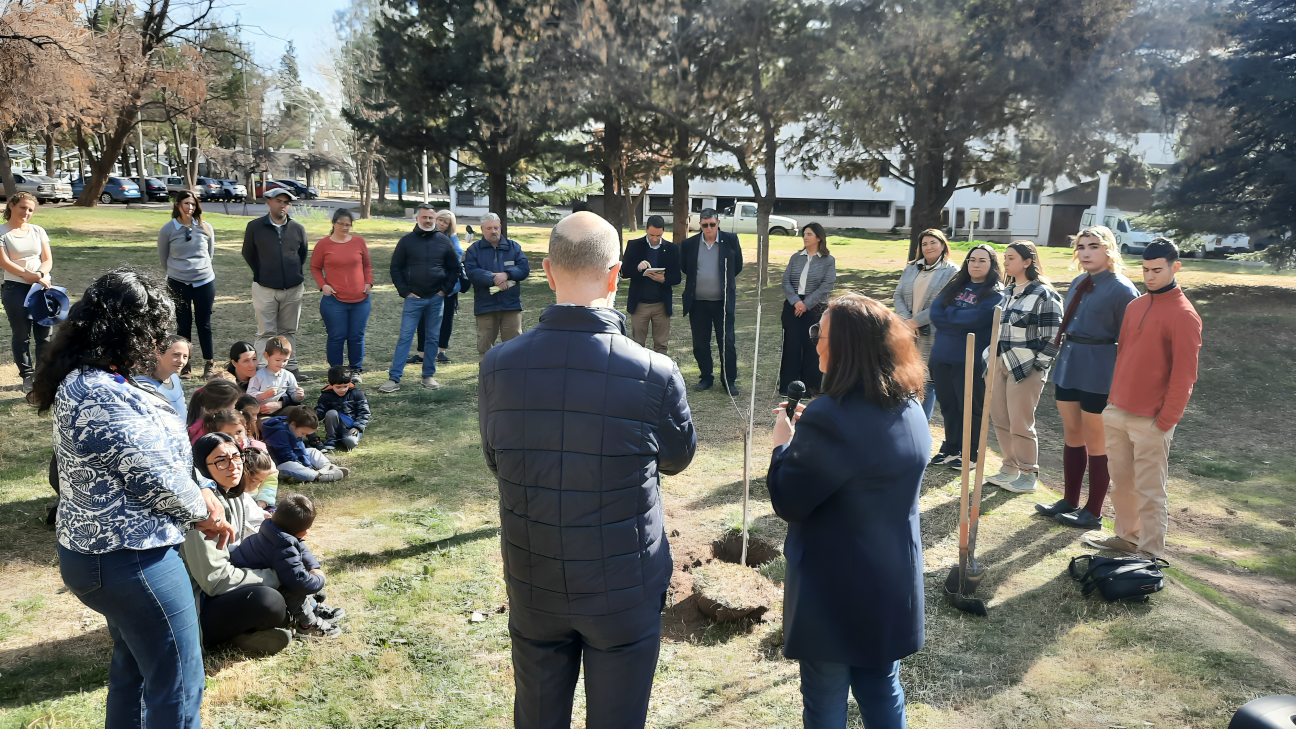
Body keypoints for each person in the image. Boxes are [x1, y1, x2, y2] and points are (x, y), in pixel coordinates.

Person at [478, 212, 696, 729]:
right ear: (616, 275)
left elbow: (497, 458)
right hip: (623, 584)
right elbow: (678, 458)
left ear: (549, 273)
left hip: (535, 578)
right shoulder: (654, 370)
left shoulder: (499, 365)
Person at [31, 267, 234, 725]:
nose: (158, 339)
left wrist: (201, 486)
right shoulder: (97, 391)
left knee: (135, 672)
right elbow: (152, 476)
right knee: (178, 682)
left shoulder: (104, 380)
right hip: (129, 558)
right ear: (128, 329)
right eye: (152, 328)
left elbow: (164, 454)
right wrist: (204, 510)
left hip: (116, 557)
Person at [766, 292, 929, 729]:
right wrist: (811, 443)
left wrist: (785, 447)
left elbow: (789, 500)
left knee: (824, 699)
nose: (814, 342)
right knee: (881, 686)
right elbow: (859, 463)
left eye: (820, 334)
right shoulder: (910, 406)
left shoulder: (829, 418)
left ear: (845, 347)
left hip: (834, 588)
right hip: (891, 578)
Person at [1084, 239, 1202, 559]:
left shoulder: (1184, 315)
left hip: (1151, 419)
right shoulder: (1135, 306)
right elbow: (1125, 356)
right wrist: (1112, 402)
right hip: (1117, 410)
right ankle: (1127, 537)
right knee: (1122, 485)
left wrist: (1164, 421)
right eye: (1145, 270)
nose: (1149, 276)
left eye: (1157, 270)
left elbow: (1184, 376)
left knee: (1150, 491)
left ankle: (1151, 554)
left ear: (1175, 268)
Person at [1036, 226, 1139, 529]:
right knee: (1072, 433)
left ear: (1108, 249)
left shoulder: (1122, 289)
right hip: (1070, 363)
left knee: (1097, 441)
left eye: (1093, 246)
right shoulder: (1080, 281)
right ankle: (1070, 500)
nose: (1085, 252)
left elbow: (1130, 341)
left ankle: (1093, 511)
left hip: (1100, 368)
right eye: (1081, 247)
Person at [182, 432, 295, 655]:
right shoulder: (203, 512)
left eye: (236, 457)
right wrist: (276, 576)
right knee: (269, 601)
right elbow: (215, 581)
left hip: (225, 590)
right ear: (201, 468)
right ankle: (228, 640)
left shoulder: (235, 495)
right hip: (200, 606)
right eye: (221, 461)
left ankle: (242, 636)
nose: (233, 465)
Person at [986, 242, 1064, 494]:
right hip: (999, 362)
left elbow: (1055, 336)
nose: (1005, 262)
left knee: (1020, 422)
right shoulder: (1007, 291)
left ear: (1027, 262)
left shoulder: (1044, 294)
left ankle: (1029, 473)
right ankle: (1009, 467)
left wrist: (1038, 367)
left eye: (1011, 258)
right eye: (1005, 258)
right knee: (999, 417)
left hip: (1025, 367)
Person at [927, 244, 1004, 470]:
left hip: (969, 359)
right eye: (972, 260)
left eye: (982, 260)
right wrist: (958, 320)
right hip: (941, 356)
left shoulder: (995, 291)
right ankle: (951, 448)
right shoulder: (956, 284)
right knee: (948, 405)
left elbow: (981, 318)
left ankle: (970, 454)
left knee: (970, 407)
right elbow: (935, 312)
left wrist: (951, 314)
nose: (976, 264)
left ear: (992, 264)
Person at [231, 493, 345, 638]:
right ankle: (307, 625)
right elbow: (299, 582)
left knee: (290, 577)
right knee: (291, 588)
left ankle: (314, 607)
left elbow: (300, 548)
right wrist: (319, 580)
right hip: (250, 588)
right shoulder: (283, 547)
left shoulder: (271, 529)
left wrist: (313, 567)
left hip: (249, 572)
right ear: (304, 532)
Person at [377, 204, 462, 393]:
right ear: (417, 219)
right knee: (405, 337)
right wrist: (405, 292)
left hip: (436, 299)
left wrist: (444, 291)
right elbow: (395, 268)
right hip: (413, 299)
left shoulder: (443, 241)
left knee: (432, 338)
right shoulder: (407, 241)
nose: (428, 221)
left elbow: (455, 268)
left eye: (431, 218)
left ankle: (428, 376)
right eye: (424, 217)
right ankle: (394, 378)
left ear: (434, 219)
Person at [242, 187, 311, 381]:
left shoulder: (297, 228)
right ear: (269, 202)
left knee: (288, 331)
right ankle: (264, 370)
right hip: (265, 287)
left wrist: (291, 274)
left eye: (286, 202)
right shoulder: (255, 227)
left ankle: (291, 368)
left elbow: (301, 255)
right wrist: (263, 274)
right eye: (279, 201)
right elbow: (248, 254)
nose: (283, 205)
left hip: (293, 288)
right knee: (267, 331)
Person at [892, 229, 959, 420]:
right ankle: (903, 421)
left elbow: (944, 303)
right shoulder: (912, 268)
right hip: (907, 333)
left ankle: (921, 424)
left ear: (943, 245)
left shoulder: (953, 271)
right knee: (905, 377)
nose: (928, 247)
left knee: (927, 381)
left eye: (933, 243)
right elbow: (898, 295)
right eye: (924, 244)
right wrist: (906, 322)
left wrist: (915, 322)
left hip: (933, 333)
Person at [681, 208, 744, 395]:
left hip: (722, 303)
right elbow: (685, 267)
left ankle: (728, 380)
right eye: (704, 225)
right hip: (698, 303)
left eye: (712, 224)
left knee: (727, 342)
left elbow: (736, 266)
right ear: (699, 225)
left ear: (718, 223)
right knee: (700, 343)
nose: (708, 228)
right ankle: (706, 377)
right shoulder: (689, 244)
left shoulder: (731, 241)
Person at [158, 190, 217, 379]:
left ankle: (209, 363)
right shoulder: (168, 229)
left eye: (193, 204)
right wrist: (178, 272)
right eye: (186, 204)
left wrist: (200, 271)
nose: (190, 208)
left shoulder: (205, 227)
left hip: (204, 282)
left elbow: (210, 253)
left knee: (204, 324)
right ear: (177, 205)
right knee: (183, 325)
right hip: (178, 283)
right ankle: (185, 365)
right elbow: (163, 258)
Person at [0, 192, 53, 394]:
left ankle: (43, 375)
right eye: (22, 207)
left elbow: (47, 259)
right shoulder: (2, 232)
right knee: (22, 335)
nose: (27, 212)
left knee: (45, 335)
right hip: (16, 289)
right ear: (11, 206)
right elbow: (4, 262)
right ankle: (28, 376)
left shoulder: (38, 231)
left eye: (30, 209)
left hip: (41, 287)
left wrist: (39, 274)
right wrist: (26, 275)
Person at [311, 208, 373, 380]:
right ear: (333, 223)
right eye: (342, 224)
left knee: (356, 336)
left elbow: (367, 265)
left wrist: (369, 282)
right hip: (334, 300)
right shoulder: (323, 244)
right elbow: (315, 267)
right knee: (337, 336)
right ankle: (337, 372)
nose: (345, 227)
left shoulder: (359, 241)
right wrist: (323, 285)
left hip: (361, 299)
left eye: (348, 224)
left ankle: (355, 370)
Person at [779, 223, 837, 395]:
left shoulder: (828, 260)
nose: (805, 237)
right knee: (792, 346)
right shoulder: (796, 257)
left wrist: (807, 304)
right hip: (793, 306)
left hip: (815, 308)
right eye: (804, 234)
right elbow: (786, 281)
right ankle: (788, 387)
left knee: (813, 347)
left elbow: (827, 285)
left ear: (819, 237)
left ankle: (811, 387)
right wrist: (796, 302)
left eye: (809, 234)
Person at [463, 212, 530, 360]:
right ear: (482, 229)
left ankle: (511, 380)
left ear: (500, 227)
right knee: (485, 347)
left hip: (511, 305)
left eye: (495, 228)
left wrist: (506, 274)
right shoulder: (474, 250)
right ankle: (486, 380)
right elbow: (471, 272)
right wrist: (494, 278)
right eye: (489, 228)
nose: (493, 231)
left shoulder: (514, 248)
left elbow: (524, 269)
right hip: (485, 305)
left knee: (514, 347)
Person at [621, 214, 682, 354]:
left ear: (663, 232)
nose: (654, 239)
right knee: (637, 345)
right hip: (639, 304)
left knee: (661, 345)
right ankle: (638, 374)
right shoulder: (634, 245)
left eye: (658, 236)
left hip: (661, 304)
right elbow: (624, 272)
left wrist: (664, 279)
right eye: (652, 235)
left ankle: (660, 374)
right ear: (646, 229)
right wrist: (638, 268)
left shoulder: (672, 248)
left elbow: (677, 277)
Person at [413, 209, 465, 364]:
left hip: (447, 287)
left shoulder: (452, 239)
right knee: (423, 319)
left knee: (446, 319)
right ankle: (421, 353)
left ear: (450, 225)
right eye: (439, 219)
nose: (441, 223)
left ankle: (441, 351)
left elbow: (455, 259)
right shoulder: (423, 236)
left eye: (445, 222)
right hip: (425, 286)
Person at [262, 406, 350, 483]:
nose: (304, 436)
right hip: (280, 463)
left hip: (292, 457)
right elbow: (287, 456)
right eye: (303, 433)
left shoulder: (294, 429)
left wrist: (306, 463)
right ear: (293, 425)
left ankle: (328, 466)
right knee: (292, 465)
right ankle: (318, 476)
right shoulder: (279, 433)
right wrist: (305, 466)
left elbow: (301, 448)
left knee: (313, 451)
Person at [137, 334, 192, 422]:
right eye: (176, 355)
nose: (181, 360)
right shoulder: (143, 386)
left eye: (185, 356)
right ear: (158, 354)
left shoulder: (175, 378)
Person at [316, 366, 370, 452]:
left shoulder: (357, 394)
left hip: (351, 428)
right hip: (334, 426)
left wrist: (357, 427)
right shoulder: (325, 396)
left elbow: (364, 413)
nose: (342, 390)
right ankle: (331, 439)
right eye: (338, 387)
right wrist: (314, 415)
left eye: (345, 386)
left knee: (351, 443)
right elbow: (321, 410)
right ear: (330, 384)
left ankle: (346, 439)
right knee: (331, 413)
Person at [228, 340, 283, 415]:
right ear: (234, 363)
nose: (252, 365)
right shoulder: (227, 381)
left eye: (254, 359)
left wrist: (280, 404)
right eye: (246, 361)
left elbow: (289, 393)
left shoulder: (264, 373)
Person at [248, 335, 306, 407]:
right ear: (266, 356)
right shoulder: (258, 375)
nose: (282, 363)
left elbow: (293, 395)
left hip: (282, 408)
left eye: (285, 360)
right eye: (277, 360)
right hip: (262, 410)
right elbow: (248, 396)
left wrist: (299, 396)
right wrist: (263, 395)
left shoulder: (288, 375)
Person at [185, 378, 243, 444]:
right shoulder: (205, 433)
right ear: (215, 409)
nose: (235, 408)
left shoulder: (210, 426)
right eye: (234, 404)